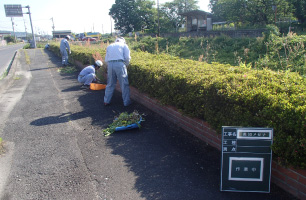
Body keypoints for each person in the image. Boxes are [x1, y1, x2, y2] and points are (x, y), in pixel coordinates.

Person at [104, 37, 131, 107]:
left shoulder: (109, 46)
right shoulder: (124, 45)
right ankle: (126, 102)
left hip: (110, 64)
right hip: (119, 64)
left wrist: (110, 65)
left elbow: (106, 59)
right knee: (124, 84)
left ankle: (106, 101)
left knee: (110, 83)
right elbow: (127, 57)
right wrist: (126, 65)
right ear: (123, 41)